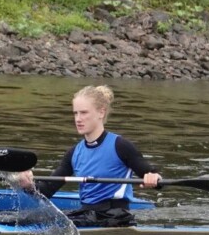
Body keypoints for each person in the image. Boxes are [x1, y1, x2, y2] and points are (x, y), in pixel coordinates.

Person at [15, 84, 161, 227]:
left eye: (84, 113)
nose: (78, 119)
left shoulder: (121, 146)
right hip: (87, 214)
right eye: (75, 113)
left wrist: (154, 178)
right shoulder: (74, 153)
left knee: (40, 221)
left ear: (101, 113)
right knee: (27, 218)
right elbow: (47, 191)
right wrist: (28, 186)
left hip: (116, 217)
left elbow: (152, 174)